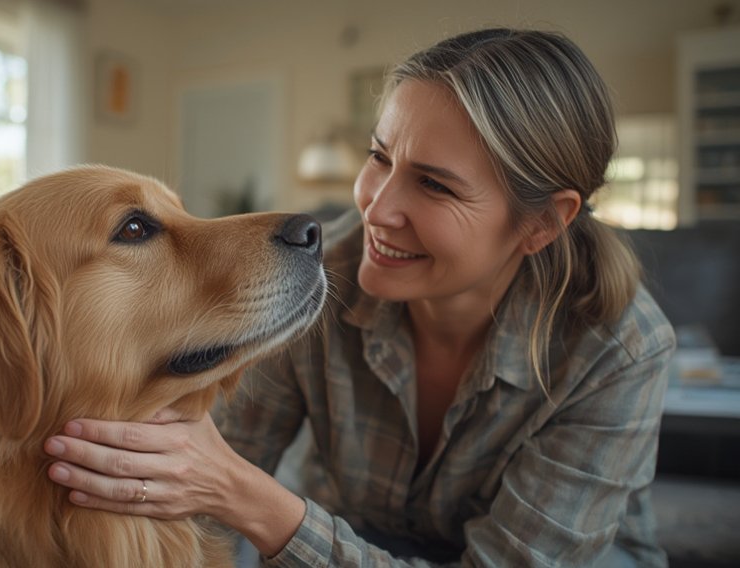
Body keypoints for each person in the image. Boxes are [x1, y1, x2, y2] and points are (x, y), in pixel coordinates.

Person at [43, 27, 674, 566]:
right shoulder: (310, 273)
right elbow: (207, 468)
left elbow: (230, 487)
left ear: (541, 224)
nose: (376, 206)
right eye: (380, 156)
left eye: (434, 186)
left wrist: (252, 500)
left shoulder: (619, 349)